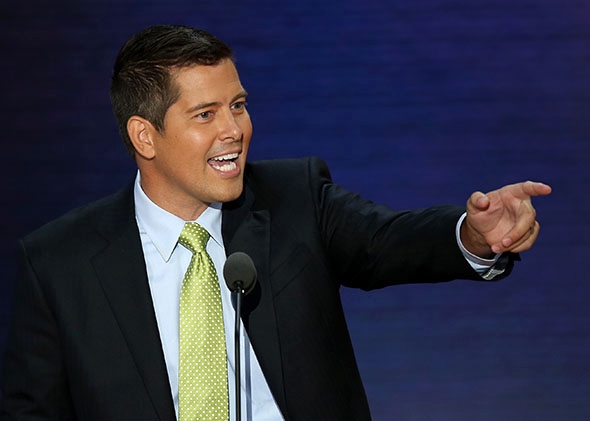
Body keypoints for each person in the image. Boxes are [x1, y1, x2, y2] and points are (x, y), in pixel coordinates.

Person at [0, 25, 551, 421]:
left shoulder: (295, 201)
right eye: (205, 114)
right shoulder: (58, 262)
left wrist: (472, 235)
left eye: (237, 105)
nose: (234, 130)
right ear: (145, 136)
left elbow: (388, 241)